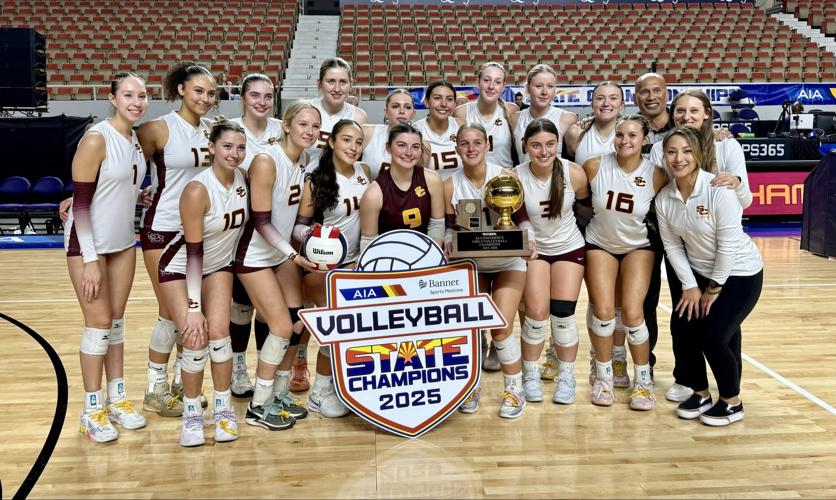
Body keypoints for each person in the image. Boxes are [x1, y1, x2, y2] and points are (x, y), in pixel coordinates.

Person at [649, 89, 753, 403]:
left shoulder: (726, 144)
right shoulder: (660, 150)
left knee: (721, 325)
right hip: (684, 244)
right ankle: (690, 380)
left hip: (723, 251)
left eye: (694, 111)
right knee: (685, 317)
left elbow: (745, 201)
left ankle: (729, 388)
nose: (687, 116)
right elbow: (663, 196)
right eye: (680, 111)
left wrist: (735, 184)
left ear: (707, 113)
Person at [66, 73, 149, 443]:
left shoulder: (134, 139)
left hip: (122, 244)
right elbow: (80, 205)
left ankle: (117, 399)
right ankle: (91, 409)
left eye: (142, 95)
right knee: (98, 325)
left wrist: (139, 197)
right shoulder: (96, 138)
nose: (136, 101)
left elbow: (120, 187)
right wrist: (88, 259)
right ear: (112, 98)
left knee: (116, 323)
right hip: (90, 245)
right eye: (128, 95)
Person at [157, 119, 249, 446]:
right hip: (182, 268)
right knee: (195, 338)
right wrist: (194, 308)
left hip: (219, 266)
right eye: (227, 146)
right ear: (211, 148)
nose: (234, 153)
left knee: (220, 334)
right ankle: (192, 413)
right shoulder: (198, 189)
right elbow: (193, 254)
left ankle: (223, 409)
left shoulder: (244, 180)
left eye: (240, 147)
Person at [234, 100, 323, 430]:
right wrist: (293, 255)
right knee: (281, 327)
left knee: (298, 325)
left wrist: (315, 237)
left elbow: (298, 221)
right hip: (254, 256)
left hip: (281, 253)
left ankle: (280, 393)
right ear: (286, 125)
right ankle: (259, 405)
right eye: (302, 125)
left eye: (314, 127)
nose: (309, 132)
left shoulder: (305, 160)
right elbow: (261, 221)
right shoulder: (267, 161)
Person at [138, 62, 217, 416]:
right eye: (198, 90)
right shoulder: (158, 128)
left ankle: (178, 383)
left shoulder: (215, 130)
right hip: (163, 229)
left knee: (192, 313)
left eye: (211, 93)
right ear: (182, 89)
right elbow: (122, 164)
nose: (205, 98)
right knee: (171, 311)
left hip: (199, 233)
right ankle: (154, 387)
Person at [444, 123, 536, 418]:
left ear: (487, 145)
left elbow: (521, 219)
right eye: (464, 143)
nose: (471, 149)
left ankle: (514, 390)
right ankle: (470, 386)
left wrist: (530, 239)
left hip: (508, 261)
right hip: (471, 264)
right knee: (470, 328)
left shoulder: (504, 177)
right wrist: (448, 242)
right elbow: (448, 227)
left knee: (499, 326)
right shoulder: (450, 184)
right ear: (457, 147)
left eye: (476, 143)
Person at [582, 114, 667, 410]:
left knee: (632, 313)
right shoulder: (594, 165)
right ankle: (604, 376)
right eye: (620, 135)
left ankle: (642, 381)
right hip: (600, 243)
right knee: (604, 311)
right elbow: (578, 200)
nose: (624, 141)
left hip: (638, 246)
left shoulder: (656, 173)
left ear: (644, 139)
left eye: (632, 135)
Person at [294, 119, 372, 418]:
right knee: (336, 327)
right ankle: (319, 393)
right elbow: (300, 227)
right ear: (332, 142)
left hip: (357, 264)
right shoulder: (316, 179)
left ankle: (339, 387)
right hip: (323, 267)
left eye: (358, 142)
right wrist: (314, 237)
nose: (353, 147)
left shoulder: (365, 173)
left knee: (350, 328)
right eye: (346, 140)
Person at [514, 119, 588, 405]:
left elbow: (584, 206)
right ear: (525, 147)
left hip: (569, 248)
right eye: (536, 145)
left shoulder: (574, 173)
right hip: (535, 251)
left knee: (563, 314)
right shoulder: (514, 176)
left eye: (549, 144)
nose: (544, 151)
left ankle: (566, 377)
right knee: (535, 314)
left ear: (557, 145)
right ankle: (529, 375)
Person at [228, 73, 285, 399]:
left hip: (276, 228)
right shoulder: (231, 131)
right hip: (240, 229)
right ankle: (238, 367)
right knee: (240, 307)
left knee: (268, 308)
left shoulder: (283, 129)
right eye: (255, 96)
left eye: (267, 95)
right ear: (243, 98)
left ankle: (270, 368)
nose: (262, 102)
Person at [359, 122, 445, 250]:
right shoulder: (374, 193)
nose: (409, 152)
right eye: (401, 145)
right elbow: (369, 243)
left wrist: (431, 253)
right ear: (388, 148)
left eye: (415, 147)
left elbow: (437, 224)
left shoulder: (433, 180)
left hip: (425, 255)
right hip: (389, 261)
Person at [454, 62, 519, 168]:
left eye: (497, 82)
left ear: (503, 87)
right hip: (473, 179)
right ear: (478, 82)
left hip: (505, 180)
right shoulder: (461, 112)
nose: (491, 86)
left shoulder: (511, 110)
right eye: (486, 80)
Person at [308, 58, 369, 172]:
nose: (337, 88)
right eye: (331, 81)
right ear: (320, 83)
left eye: (343, 82)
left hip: (341, 185)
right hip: (304, 183)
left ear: (350, 85)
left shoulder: (358, 117)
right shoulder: (305, 110)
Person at [511, 64, 578, 163]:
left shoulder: (568, 119)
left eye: (550, 86)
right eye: (538, 86)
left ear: (555, 90)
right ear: (527, 88)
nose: (544, 92)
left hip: (557, 177)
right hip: (523, 177)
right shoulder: (515, 119)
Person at [361, 88, 429, 179]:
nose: (401, 111)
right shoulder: (367, 133)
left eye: (407, 107)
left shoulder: (423, 145)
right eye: (395, 106)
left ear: (413, 114)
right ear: (386, 112)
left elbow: (420, 182)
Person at [564, 81, 624, 166]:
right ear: (592, 104)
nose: (606, 103)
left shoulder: (630, 135)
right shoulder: (575, 132)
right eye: (600, 98)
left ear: (621, 104)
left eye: (613, 98)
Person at [414, 80, 464, 180]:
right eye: (437, 98)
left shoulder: (461, 126)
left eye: (449, 99)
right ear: (427, 102)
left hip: (457, 193)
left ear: (454, 104)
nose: (444, 104)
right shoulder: (415, 131)